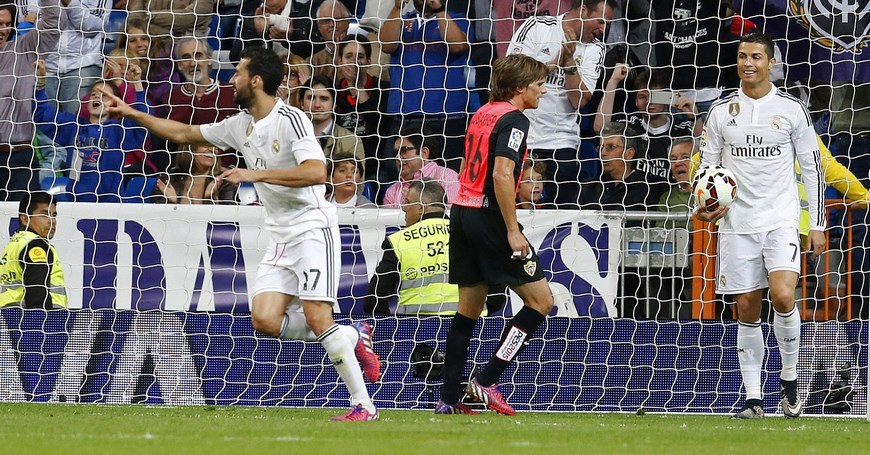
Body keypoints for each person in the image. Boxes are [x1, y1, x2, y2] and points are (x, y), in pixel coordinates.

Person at [102, 46, 381, 421]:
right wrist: (133, 112)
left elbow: (316, 172)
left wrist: (254, 174)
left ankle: (363, 405)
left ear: (256, 80)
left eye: (237, 73)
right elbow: (185, 133)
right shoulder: (240, 124)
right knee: (265, 319)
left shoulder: (292, 119)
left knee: (317, 316)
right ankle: (349, 335)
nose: (230, 79)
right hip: (281, 236)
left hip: (313, 229)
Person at [695, 33, 826, 419]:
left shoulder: (791, 109)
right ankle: (754, 400)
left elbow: (814, 168)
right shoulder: (721, 111)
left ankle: (789, 382)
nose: (747, 63)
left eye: (755, 56)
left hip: (781, 218)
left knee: (784, 295)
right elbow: (707, 167)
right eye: (741, 56)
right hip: (736, 223)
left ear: (771, 63)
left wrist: (816, 223)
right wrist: (703, 202)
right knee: (747, 309)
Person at [436, 54, 551, 416]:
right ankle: (486, 380)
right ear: (520, 88)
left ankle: (449, 398)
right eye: (538, 84)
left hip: (462, 210)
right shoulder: (515, 120)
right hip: (487, 215)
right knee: (541, 302)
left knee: (467, 310)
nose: (543, 91)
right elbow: (502, 175)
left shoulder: (483, 112)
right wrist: (512, 230)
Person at [506, 0, 614, 207]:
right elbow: (509, 77)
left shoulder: (596, 49)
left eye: (607, 24)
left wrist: (570, 63)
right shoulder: (536, 27)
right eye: (600, 21)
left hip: (560, 144)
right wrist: (555, 64)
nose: (603, 29)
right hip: (520, 138)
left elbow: (579, 100)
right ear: (582, 10)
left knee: (560, 216)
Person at [33, 60, 150, 202]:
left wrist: (137, 84)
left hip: (109, 206)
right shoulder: (73, 127)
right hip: (75, 203)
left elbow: (144, 120)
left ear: (115, 103)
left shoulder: (120, 130)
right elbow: (41, 115)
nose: (97, 97)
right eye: (94, 94)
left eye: (104, 95)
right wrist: (40, 82)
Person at [365, 179, 456, 314]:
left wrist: (390, 327)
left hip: (414, 329)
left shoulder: (399, 241)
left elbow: (374, 300)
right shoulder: (469, 235)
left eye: (407, 202)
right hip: (470, 329)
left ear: (421, 207)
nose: (403, 208)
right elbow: (495, 291)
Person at [0, 0, 61, 201]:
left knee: (19, 223)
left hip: (20, 157)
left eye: (7, 24)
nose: (3, 29)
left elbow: (54, 23)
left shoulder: (23, 50)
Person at [579, 122, 667, 215]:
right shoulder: (588, 187)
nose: (603, 153)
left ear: (629, 153)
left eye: (611, 147)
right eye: (601, 148)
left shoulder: (647, 189)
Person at [0, 192, 66, 309]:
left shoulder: (14, 244)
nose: (52, 221)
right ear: (25, 219)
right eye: (44, 215)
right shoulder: (36, 246)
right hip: (36, 321)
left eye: (53, 215)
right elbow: (37, 294)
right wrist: (41, 324)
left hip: (9, 318)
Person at [382, 127, 459, 208]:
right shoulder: (392, 191)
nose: (398, 157)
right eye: (395, 153)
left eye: (404, 150)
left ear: (424, 153)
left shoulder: (447, 178)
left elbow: (451, 215)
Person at [299, 74, 365, 165]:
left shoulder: (350, 141)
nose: (317, 105)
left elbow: (356, 178)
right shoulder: (287, 136)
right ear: (301, 103)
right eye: (311, 98)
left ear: (334, 105)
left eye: (324, 99)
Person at [155, 144, 238, 204]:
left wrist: (210, 199)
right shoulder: (169, 178)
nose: (212, 150)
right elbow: (155, 219)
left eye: (215, 146)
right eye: (205, 145)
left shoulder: (224, 181)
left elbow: (229, 221)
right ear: (191, 149)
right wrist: (171, 203)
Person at [308, 0, 351, 80]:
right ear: (319, 26)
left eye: (337, 20)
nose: (332, 25)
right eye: (326, 21)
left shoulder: (362, 54)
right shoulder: (312, 62)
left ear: (348, 22)